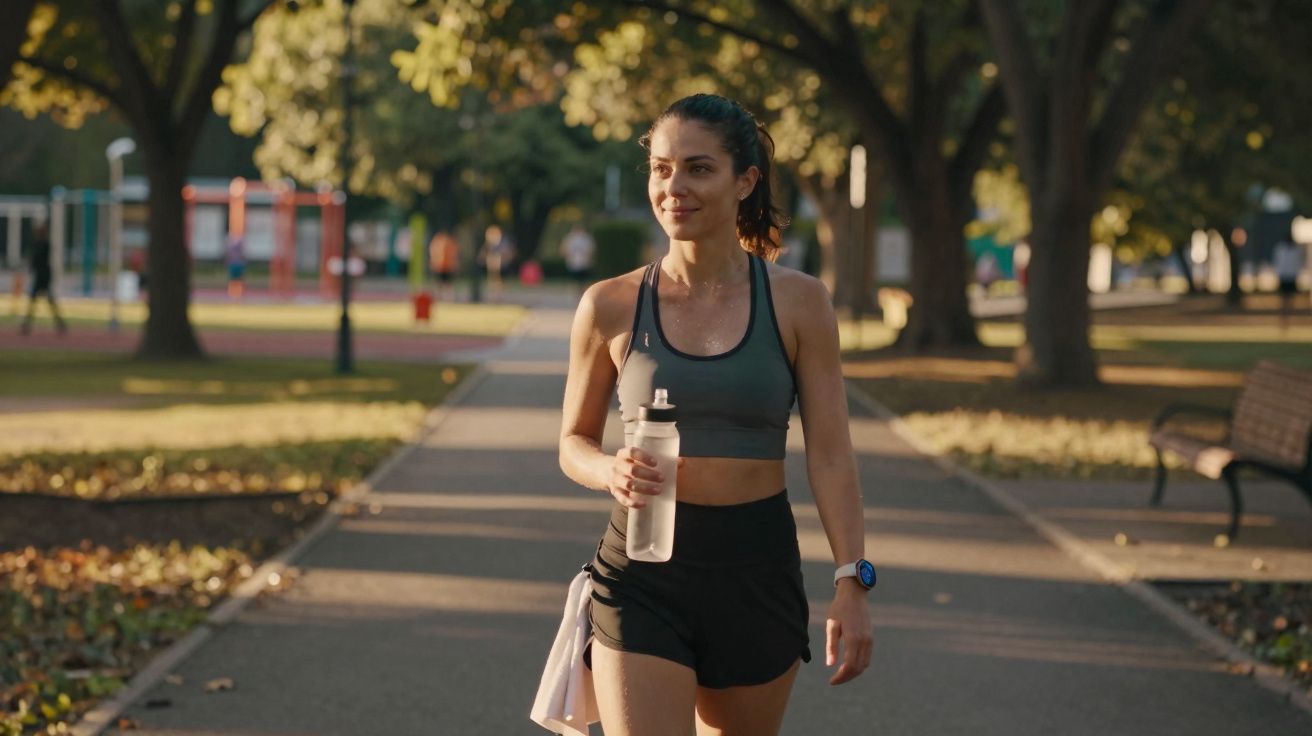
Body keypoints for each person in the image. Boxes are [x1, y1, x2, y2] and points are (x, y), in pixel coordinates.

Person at [558, 94, 873, 735]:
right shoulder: (610, 305)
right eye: (662, 168)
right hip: (641, 571)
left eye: (699, 168)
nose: (675, 187)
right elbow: (573, 441)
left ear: (745, 180)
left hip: (756, 571)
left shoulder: (799, 302)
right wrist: (606, 469)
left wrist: (852, 579)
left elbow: (832, 454)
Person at [19, 222, 68, 336]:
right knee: (40, 301)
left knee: (37, 300)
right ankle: (59, 323)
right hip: (42, 275)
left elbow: (37, 259)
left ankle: (29, 324)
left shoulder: (43, 244)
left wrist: (32, 266)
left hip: (43, 276)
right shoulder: (41, 244)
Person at [1273, 238, 1303, 328]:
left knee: (1290, 299)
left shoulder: (1296, 251)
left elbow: (1297, 264)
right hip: (1284, 277)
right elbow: (1278, 263)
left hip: (1291, 277)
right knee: (1283, 299)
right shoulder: (1281, 249)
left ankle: (1288, 318)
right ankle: (1283, 319)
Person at [560, 222, 596, 296]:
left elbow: (591, 250)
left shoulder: (586, 238)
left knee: (584, 281)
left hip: (584, 263)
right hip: (573, 263)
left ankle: (583, 294)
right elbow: (563, 250)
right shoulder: (569, 238)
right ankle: (577, 294)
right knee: (575, 282)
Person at [429, 230, 460, 301]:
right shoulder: (439, 242)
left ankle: (446, 297)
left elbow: (454, 254)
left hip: (445, 265)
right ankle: (442, 297)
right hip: (440, 265)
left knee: (446, 283)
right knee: (441, 283)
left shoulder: (439, 242)